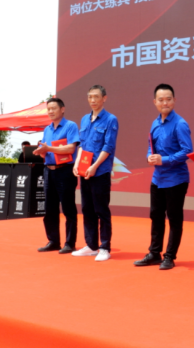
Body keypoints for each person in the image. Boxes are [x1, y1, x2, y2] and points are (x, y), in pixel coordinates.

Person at [134, 84, 193, 270]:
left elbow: (187, 151)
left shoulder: (180, 124)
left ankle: (169, 256)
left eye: (168, 99)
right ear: (155, 102)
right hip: (157, 179)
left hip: (176, 179)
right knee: (156, 216)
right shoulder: (155, 123)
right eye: (161, 100)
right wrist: (149, 156)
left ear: (174, 100)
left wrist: (164, 160)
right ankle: (154, 253)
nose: (164, 103)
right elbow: (150, 145)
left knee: (174, 218)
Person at [71, 85, 119, 262]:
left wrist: (95, 166)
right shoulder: (84, 119)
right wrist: (77, 163)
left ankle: (104, 247)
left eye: (96, 97)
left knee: (101, 209)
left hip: (100, 172)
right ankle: (91, 246)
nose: (93, 100)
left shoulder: (110, 119)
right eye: (90, 97)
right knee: (87, 209)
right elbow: (82, 145)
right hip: (85, 172)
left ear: (104, 98)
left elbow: (108, 146)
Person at [33, 97, 80, 254]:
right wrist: (41, 152)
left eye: (53, 108)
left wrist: (49, 149)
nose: (50, 111)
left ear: (62, 109)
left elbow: (71, 149)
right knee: (50, 209)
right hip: (48, 171)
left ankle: (70, 243)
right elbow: (46, 151)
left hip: (65, 171)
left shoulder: (70, 126)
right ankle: (53, 241)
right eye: (48, 109)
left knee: (68, 208)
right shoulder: (47, 129)